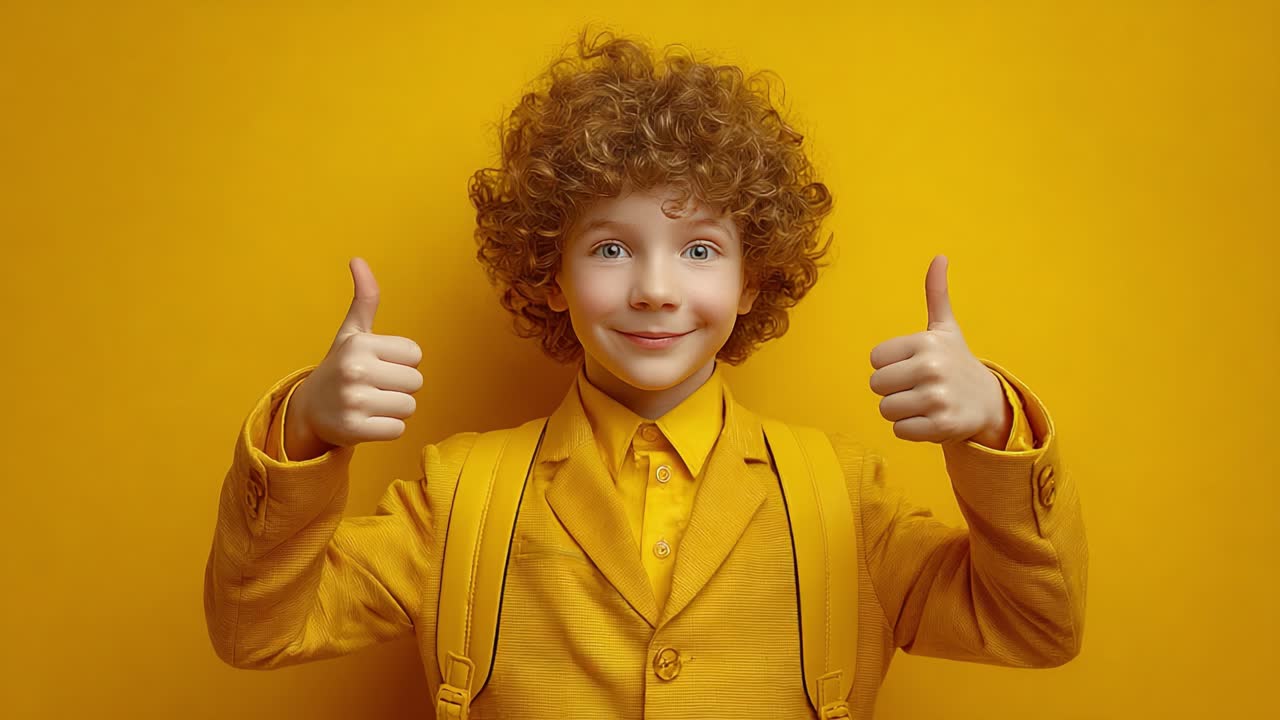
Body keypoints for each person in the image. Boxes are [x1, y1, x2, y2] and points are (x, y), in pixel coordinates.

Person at [203, 28, 1086, 719]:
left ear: (753, 281)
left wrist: (992, 427)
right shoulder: (458, 495)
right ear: (551, 272)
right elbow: (256, 630)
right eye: (613, 246)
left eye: (700, 248)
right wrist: (305, 430)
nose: (656, 289)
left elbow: (1036, 626)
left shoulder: (845, 498)